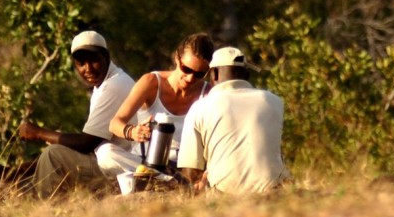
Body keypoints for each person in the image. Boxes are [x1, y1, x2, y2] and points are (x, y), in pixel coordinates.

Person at [19, 30, 135, 194]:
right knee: (55, 152)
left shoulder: (113, 86)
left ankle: (44, 211)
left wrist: (39, 133)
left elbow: (86, 143)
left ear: (106, 57)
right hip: (114, 163)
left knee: (53, 155)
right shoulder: (106, 83)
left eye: (94, 61)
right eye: (81, 63)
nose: (88, 69)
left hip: (120, 170)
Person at [178, 47, 288, 194]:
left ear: (214, 74)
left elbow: (191, 172)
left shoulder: (200, 107)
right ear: (247, 74)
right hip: (273, 191)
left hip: (224, 193)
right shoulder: (274, 101)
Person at [105, 33, 217, 178]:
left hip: (184, 167)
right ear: (177, 58)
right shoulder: (151, 82)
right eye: (186, 69)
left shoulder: (208, 94)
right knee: (105, 153)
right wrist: (132, 132)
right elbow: (115, 123)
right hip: (145, 161)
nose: (190, 78)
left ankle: (168, 180)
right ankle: (167, 180)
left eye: (199, 74)